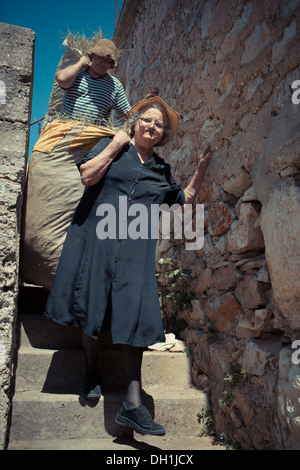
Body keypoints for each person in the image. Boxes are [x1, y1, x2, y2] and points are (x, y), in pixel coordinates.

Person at [44, 95, 212, 436]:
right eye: (147, 120)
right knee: (91, 303)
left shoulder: (162, 170)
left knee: (135, 311)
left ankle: (132, 405)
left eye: (159, 125)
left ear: (163, 135)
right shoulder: (113, 146)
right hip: (95, 238)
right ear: (135, 122)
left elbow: (184, 203)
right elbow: (88, 177)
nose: (152, 126)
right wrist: (115, 145)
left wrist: (201, 168)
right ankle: (92, 371)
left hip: (136, 247)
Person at [56, 38, 131, 124]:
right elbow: (62, 80)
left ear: (111, 65)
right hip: (66, 130)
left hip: (93, 135)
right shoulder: (77, 74)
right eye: (101, 57)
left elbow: (128, 116)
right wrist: (82, 62)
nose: (104, 63)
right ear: (92, 56)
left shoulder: (115, 86)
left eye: (108, 61)